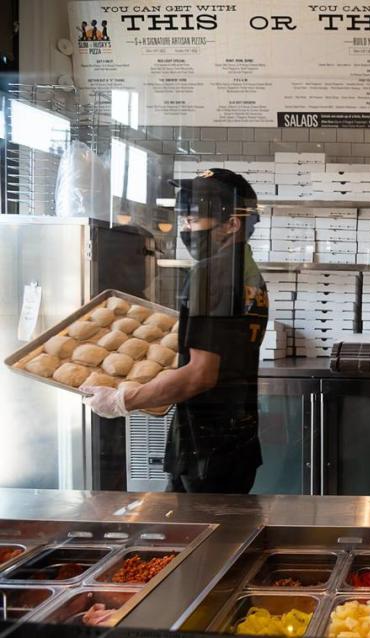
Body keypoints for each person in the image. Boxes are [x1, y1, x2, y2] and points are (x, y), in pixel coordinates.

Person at [81, 169, 269, 494]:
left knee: (197, 539)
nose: (185, 228)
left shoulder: (210, 275)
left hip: (204, 450)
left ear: (233, 224)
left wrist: (123, 400)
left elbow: (200, 375)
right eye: (184, 220)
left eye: (193, 221)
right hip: (236, 442)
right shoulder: (247, 272)